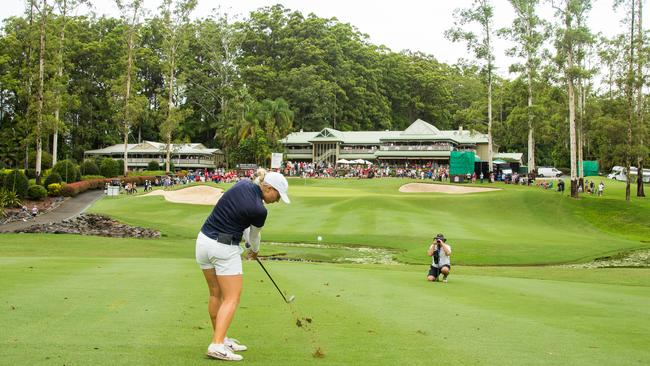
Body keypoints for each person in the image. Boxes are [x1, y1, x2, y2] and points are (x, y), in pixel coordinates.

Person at [196, 168, 290, 361]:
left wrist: (247, 241)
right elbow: (254, 237)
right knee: (232, 298)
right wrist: (254, 250)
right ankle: (216, 345)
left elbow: (243, 224)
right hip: (223, 249)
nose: (278, 200)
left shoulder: (242, 184)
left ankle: (221, 339)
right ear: (269, 188)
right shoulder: (259, 209)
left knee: (215, 293)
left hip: (203, 242)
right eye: (278, 195)